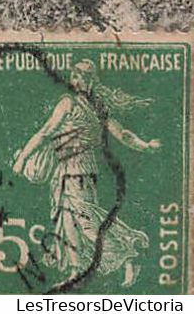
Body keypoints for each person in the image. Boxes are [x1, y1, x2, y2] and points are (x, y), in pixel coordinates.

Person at [12, 60, 159, 287]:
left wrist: (145, 145)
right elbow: (45, 133)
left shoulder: (81, 106)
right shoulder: (72, 104)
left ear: (90, 80)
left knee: (87, 222)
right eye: (74, 76)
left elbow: (123, 135)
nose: (76, 80)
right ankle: (74, 270)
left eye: (81, 77)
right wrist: (146, 146)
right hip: (64, 170)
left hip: (79, 171)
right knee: (68, 221)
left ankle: (128, 255)